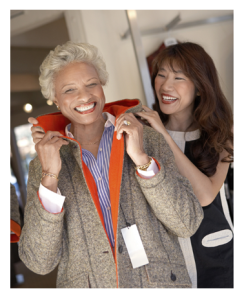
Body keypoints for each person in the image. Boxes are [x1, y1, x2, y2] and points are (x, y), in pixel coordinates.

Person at [19, 41, 203, 288]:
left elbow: (187, 222)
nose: (84, 96)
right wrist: (50, 176)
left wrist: (142, 160)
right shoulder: (41, 167)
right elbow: (39, 262)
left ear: (102, 83)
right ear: (54, 98)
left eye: (91, 84)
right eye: (69, 90)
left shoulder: (147, 139)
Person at [135, 42, 233, 288]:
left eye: (179, 77)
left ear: (200, 86)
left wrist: (164, 135)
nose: (166, 86)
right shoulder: (143, 135)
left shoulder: (223, 133)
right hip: (167, 264)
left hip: (219, 259)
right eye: (161, 75)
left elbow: (205, 194)